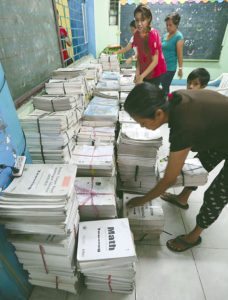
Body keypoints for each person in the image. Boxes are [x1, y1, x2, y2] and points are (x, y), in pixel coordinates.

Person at [124, 82, 228, 252]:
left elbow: (169, 179)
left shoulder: (184, 124)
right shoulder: (174, 99)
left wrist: (141, 200)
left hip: (223, 134)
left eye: (143, 123)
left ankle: (193, 237)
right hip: (221, 133)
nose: (143, 127)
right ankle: (182, 198)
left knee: (217, 194)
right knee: (196, 166)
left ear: (158, 114)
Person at [161, 67, 211, 208]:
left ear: (204, 86)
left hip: (218, 141)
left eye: (195, 84)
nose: (190, 86)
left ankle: (184, 198)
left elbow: (193, 136)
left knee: (200, 166)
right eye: (189, 82)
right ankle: (183, 198)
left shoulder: (205, 103)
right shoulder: (182, 96)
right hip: (205, 141)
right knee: (197, 167)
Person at [132, 4, 166, 86]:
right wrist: (137, 73)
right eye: (137, 20)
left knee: (151, 95)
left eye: (142, 20)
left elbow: (155, 61)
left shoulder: (153, 35)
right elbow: (139, 56)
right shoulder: (136, 34)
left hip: (155, 72)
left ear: (149, 19)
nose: (139, 23)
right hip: (144, 69)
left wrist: (142, 76)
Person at [161, 12, 184, 95]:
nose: (168, 27)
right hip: (161, 66)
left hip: (170, 68)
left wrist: (180, 69)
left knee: (165, 86)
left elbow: (180, 54)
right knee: (162, 86)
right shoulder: (165, 35)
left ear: (176, 24)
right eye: (167, 25)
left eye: (170, 25)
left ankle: (166, 105)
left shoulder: (179, 37)